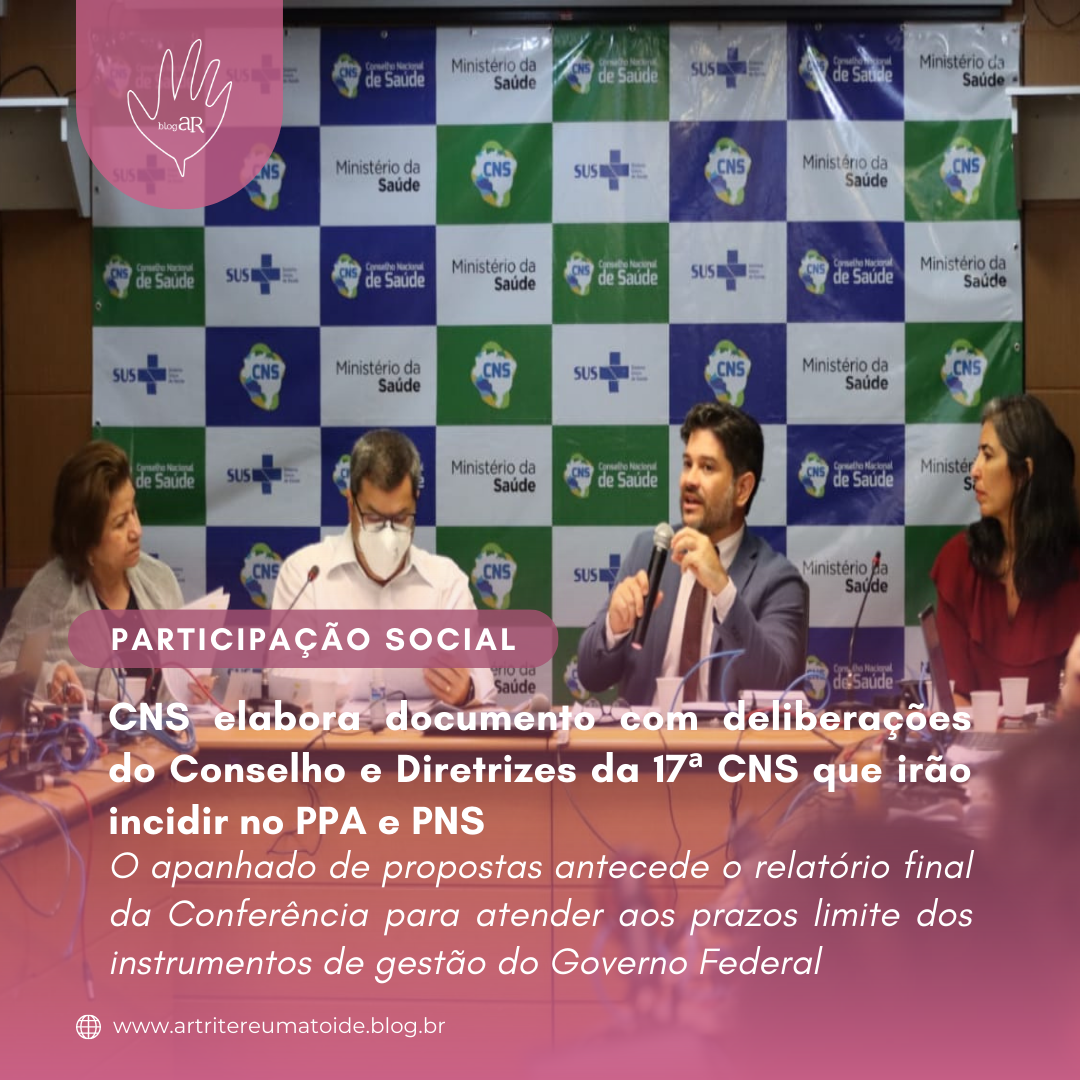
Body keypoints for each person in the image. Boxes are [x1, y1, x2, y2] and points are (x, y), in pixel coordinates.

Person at [576, 401, 808, 705]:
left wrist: (723, 590)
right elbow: (590, 675)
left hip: (726, 738)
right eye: (687, 464)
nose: (689, 480)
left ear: (742, 489)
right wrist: (614, 628)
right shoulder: (649, 552)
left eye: (707, 467)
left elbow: (777, 686)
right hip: (644, 736)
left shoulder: (778, 581)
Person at [273, 429, 495, 707]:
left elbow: (484, 686)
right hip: (332, 733)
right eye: (374, 518)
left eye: (401, 518)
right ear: (351, 505)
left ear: (415, 503)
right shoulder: (305, 573)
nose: (388, 535)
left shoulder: (445, 581)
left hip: (423, 735)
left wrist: (466, 690)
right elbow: (284, 680)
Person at [0, 440, 183, 705]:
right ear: (86, 541)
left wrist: (193, 691)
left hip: (163, 732)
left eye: (133, 511)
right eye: (120, 523)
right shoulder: (49, 593)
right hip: (86, 732)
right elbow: (5, 674)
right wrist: (48, 678)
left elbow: (179, 688)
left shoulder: (160, 580)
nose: (137, 530)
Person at [931, 394, 1080, 707]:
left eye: (987, 455)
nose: (974, 470)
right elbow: (954, 697)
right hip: (972, 737)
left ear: (1024, 472)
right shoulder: (958, 562)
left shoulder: (1073, 566)